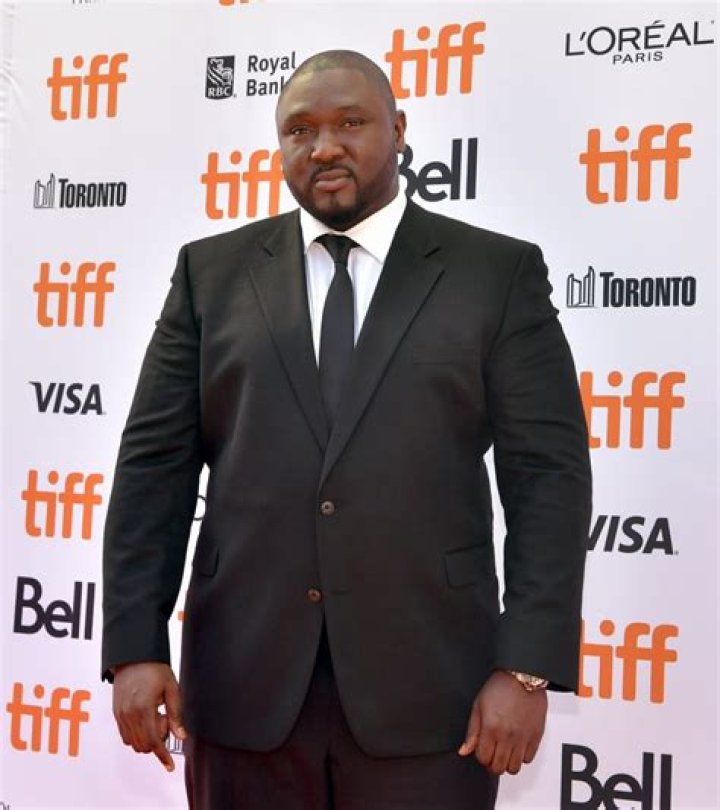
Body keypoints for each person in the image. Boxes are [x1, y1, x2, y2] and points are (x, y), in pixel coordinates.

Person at [102, 50, 591, 809]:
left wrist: (526, 667)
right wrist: (135, 646)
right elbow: (152, 470)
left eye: (351, 123)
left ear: (399, 130)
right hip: (243, 688)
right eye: (300, 130)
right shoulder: (211, 275)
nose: (324, 146)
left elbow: (548, 479)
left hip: (434, 693)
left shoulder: (494, 274)